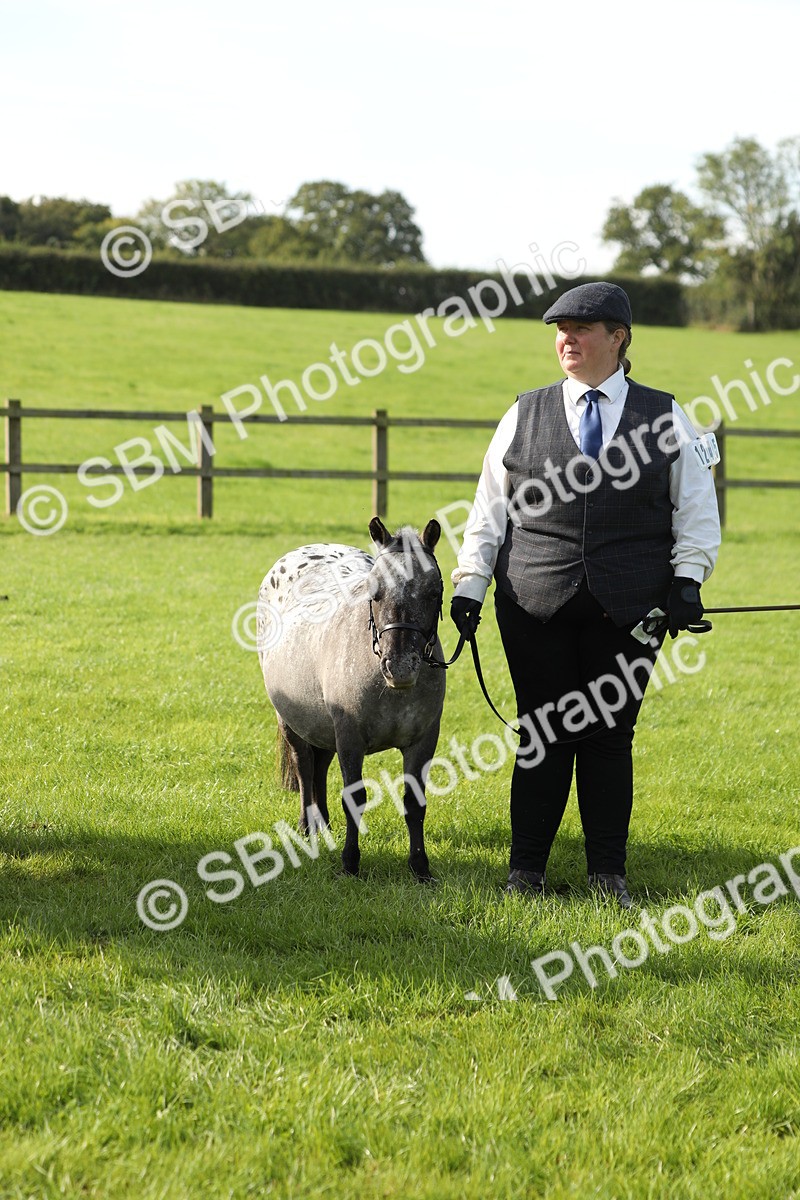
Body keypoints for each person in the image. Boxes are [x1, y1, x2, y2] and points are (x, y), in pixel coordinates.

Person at [450, 281, 721, 907]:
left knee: (608, 737)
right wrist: (470, 583)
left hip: (630, 611)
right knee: (541, 735)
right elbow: (489, 509)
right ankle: (525, 875)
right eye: (559, 329)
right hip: (532, 604)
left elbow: (696, 507)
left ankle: (607, 876)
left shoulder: (666, 415)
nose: (565, 340)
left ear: (618, 338)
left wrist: (688, 581)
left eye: (581, 329)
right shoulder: (524, 411)